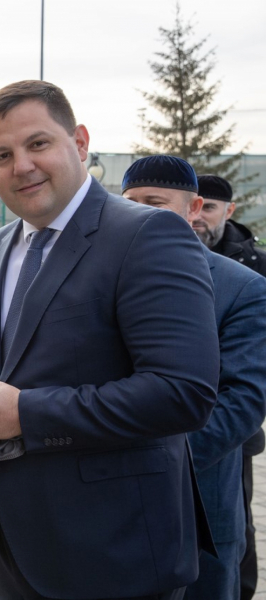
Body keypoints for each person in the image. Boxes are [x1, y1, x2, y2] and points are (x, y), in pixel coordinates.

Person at [0, 80, 219, 599]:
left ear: (80, 143)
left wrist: (25, 414)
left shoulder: (148, 234)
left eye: (37, 144)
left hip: (116, 551)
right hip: (16, 540)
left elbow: (182, 392)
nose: (21, 165)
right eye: (2, 154)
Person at [123, 159, 266, 599]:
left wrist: (159, 462)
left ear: (194, 207)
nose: (142, 214)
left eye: (156, 203)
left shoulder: (242, 288)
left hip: (203, 506)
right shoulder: (110, 277)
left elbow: (242, 401)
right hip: (117, 512)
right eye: (131, 205)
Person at [193, 174, 266, 600]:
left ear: (227, 211)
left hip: (229, 438)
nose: (199, 220)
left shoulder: (252, 269)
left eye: (209, 211)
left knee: (232, 529)